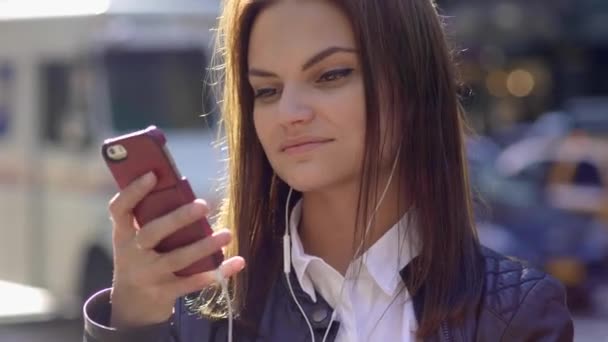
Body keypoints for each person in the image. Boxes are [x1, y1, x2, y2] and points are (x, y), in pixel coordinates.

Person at [83, 0, 574, 341]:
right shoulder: (207, 312)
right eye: (267, 90)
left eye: (331, 75)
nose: (289, 112)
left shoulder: (516, 314)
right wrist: (131, 325)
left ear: (412, 86)